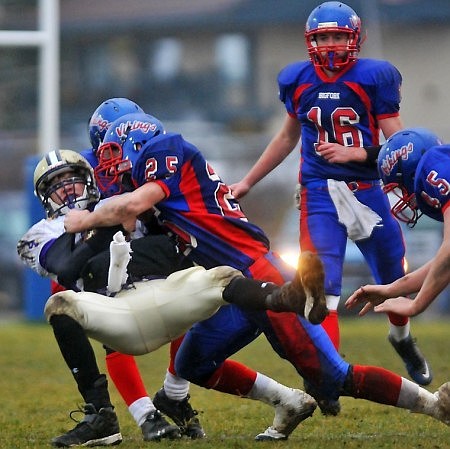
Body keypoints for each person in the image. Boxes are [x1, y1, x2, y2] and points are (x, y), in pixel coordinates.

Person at [63, 112, 450, 436]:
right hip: (231, 286)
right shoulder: (161, 177)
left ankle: (435, 405)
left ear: (136, 141)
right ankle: (288, 403)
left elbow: (132, 204)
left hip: (257, 272)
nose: (112, 163)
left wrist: (85, 218)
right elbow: (136, 221)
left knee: (333, 378)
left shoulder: (166, 151)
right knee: (191, 364)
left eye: (115, 152)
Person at [18, 149, 325, 445]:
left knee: (223, 275)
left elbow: (171, 233)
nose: (67, 189)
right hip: (119, 314)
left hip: (168, 295)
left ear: (87, 178)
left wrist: (122, 213)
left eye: (71, 179)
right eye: (56, 185)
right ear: (45, 196)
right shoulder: (41, 232)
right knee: (58, 306)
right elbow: (66, 266)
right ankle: (100, 415)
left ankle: (290, 297)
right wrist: (103, 223)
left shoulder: (116, 202)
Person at [229, 0, 432, 389]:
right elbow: (287, 137)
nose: (332, 45)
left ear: (355, 38)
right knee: (322, 287)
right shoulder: (298, 79)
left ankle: (402, 338)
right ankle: (330, 372)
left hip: (367, 188)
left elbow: (400, 143)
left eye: (339, 36)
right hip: (319, 191)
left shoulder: (374, 77)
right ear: (311, 40)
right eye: (324, 37)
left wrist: (356, 153)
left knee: (393, 275)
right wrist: (249, 181)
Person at [345, 127, 450, 318]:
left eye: (400, 188)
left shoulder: (433, 167)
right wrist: (391, 289)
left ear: (410, 173)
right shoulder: (441, 163)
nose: (405, 198)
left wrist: (416, 305)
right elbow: (444, 263)